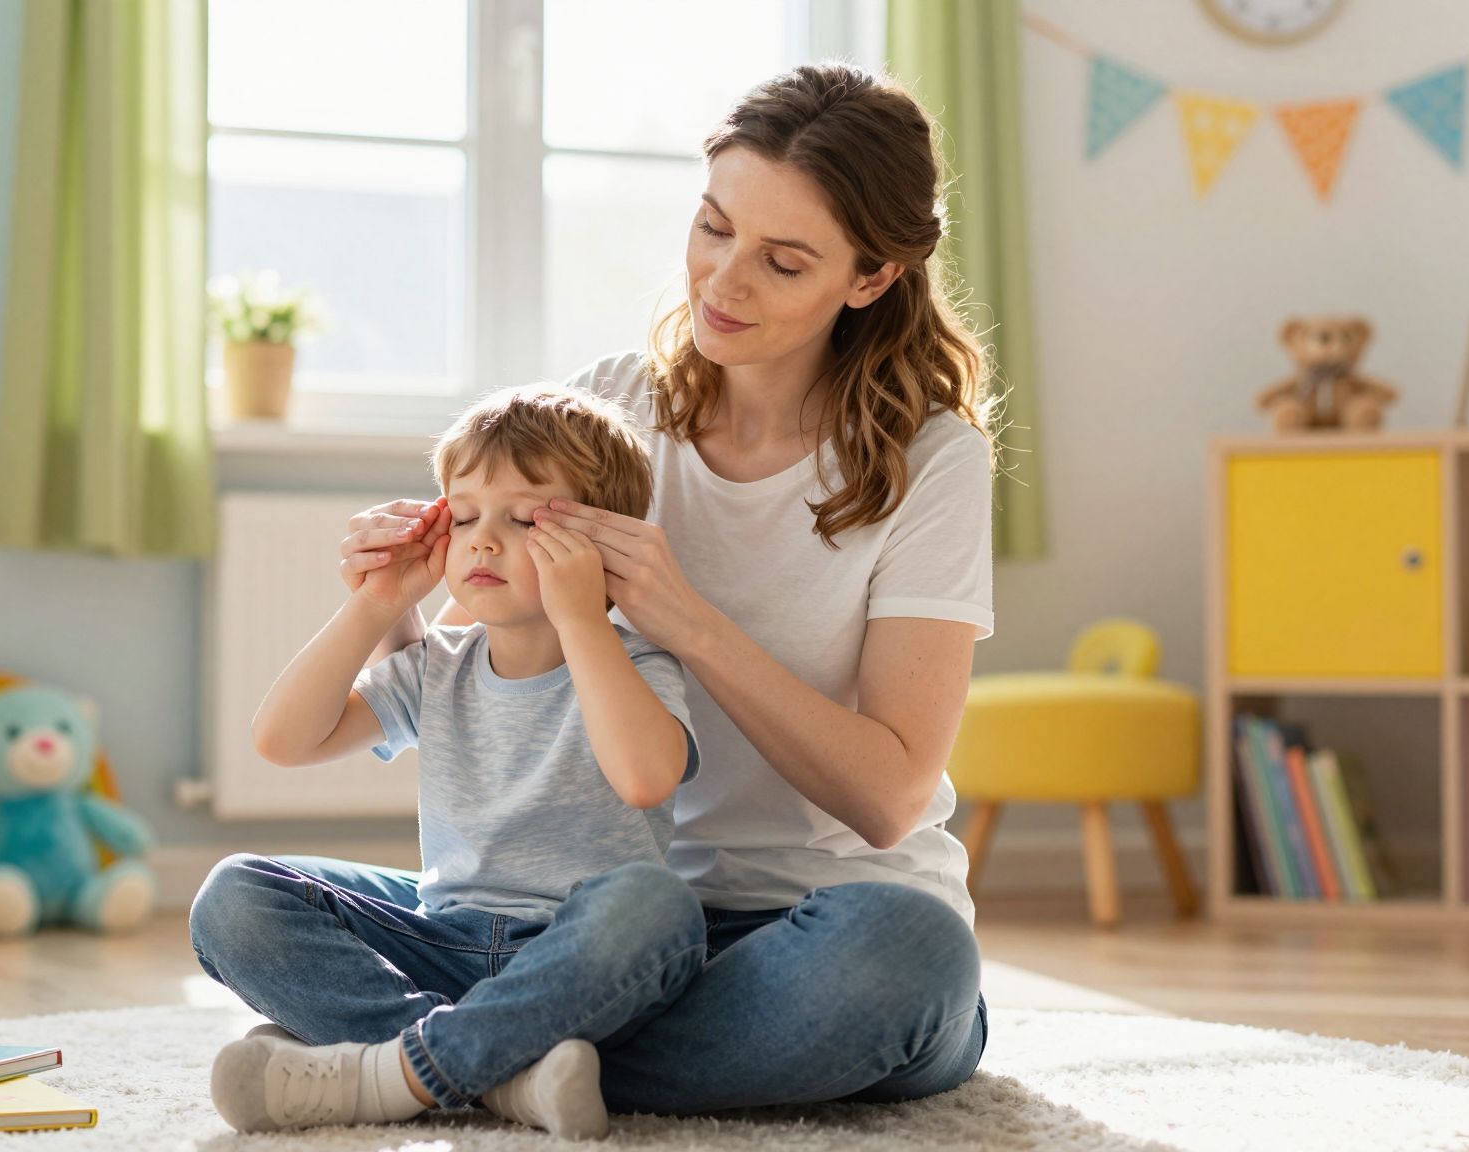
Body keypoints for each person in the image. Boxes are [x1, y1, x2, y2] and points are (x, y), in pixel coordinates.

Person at [193, 60, 997, 1118]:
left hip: (812, 928)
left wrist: (688, 623)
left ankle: (436, 1057)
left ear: (869, 277)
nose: (722, 281)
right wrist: (386, 597)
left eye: (781, 261)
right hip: (580, 921)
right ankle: (510, 1059)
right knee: (241, 906)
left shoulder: (926, 460)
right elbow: (483, 662)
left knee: (906, 957)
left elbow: (888, 799)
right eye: (712, 228)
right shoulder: (613, 403)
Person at [200, 384, 704, 1138]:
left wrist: (578, 613)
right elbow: (283, 740)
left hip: (570, 960)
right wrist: (374, 605)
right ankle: (503, 1078)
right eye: (464, 516)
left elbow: (643, 777)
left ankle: (391, 1075)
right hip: (443, 939)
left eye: (525, 519)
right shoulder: (437, 663)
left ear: (599, 538)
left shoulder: (638, 664)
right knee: (233, 897)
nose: (484, 540)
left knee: (658, 909)